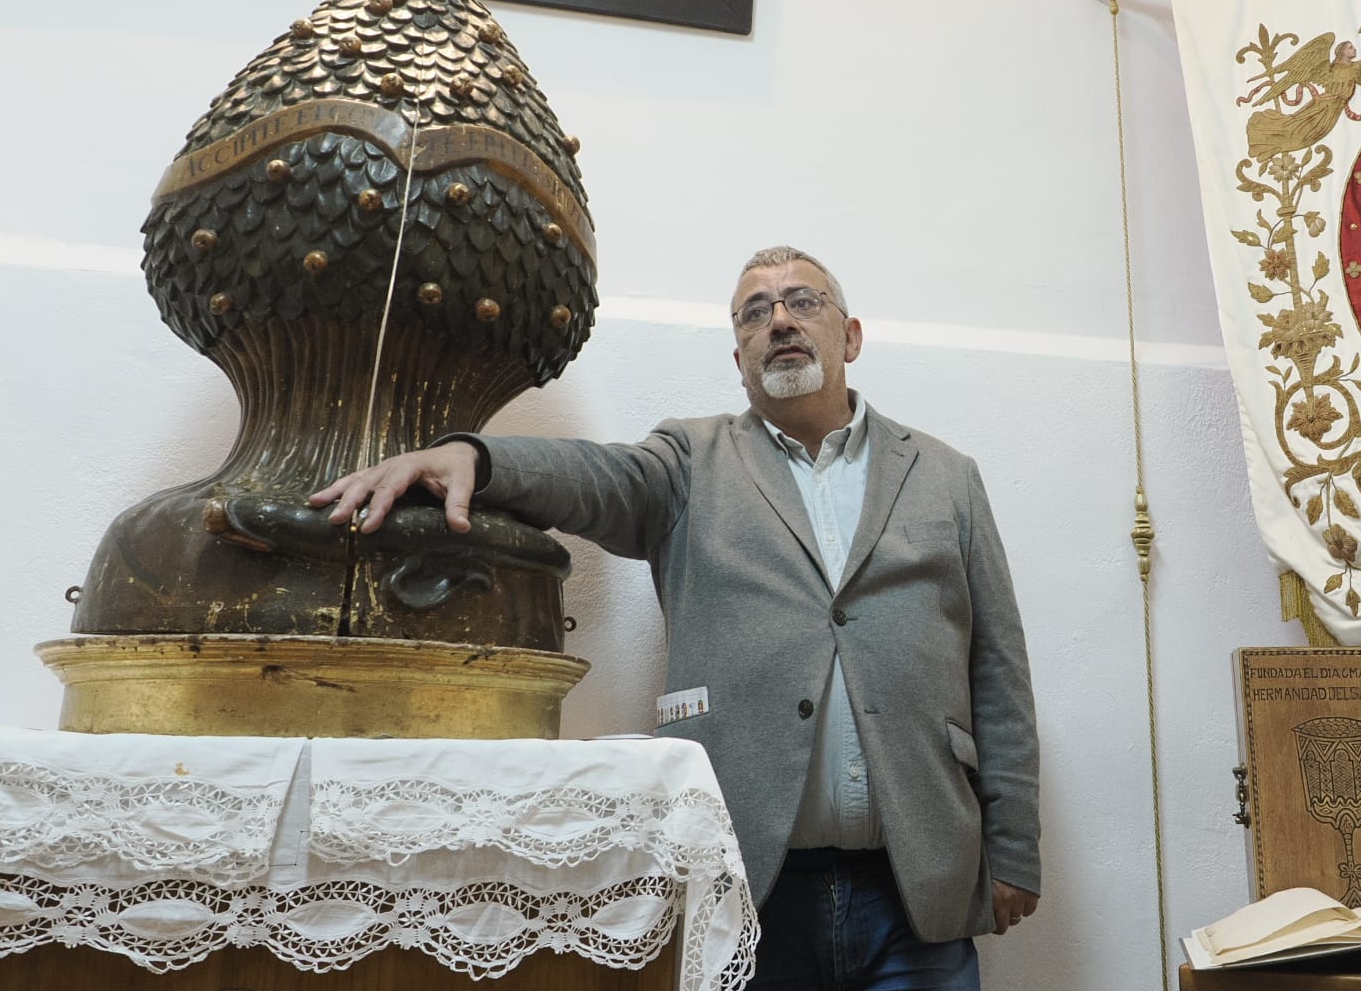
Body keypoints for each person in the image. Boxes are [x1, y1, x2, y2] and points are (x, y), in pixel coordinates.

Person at [310, 246, 1041, 990]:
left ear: (849, 337)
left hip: (919, 887)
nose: (779, 320)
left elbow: (998, 670)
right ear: (740, 358)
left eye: (802, 301)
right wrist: (477, 459)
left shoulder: (947, 477)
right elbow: (597, 478)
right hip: (744, 882)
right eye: (754, 313)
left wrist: (1014, 850)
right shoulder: (691, 459)